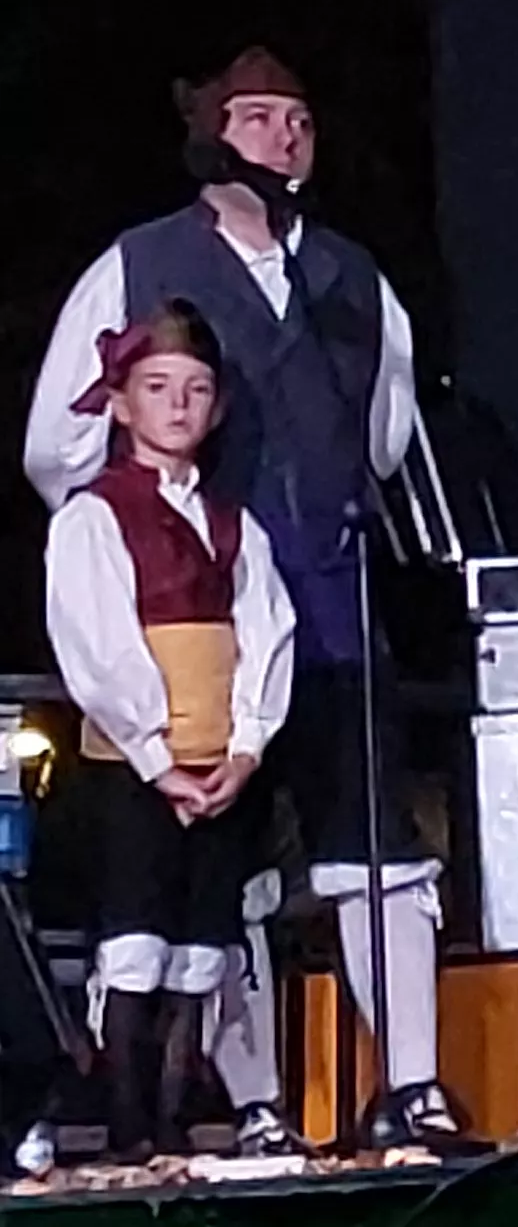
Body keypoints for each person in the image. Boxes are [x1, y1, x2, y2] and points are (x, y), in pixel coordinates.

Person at [24, 48, 445, 1152]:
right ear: (212, 133)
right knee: (227, 869)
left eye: (299, 118)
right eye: (258, 118)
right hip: (200, 623)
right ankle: (252, 1100)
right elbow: (58, 443)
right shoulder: (142, 264)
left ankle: (412, 1085)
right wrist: (151, 541)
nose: (284, 137)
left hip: (332, 602)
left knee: (376, 849)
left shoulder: (353, 276)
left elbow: (388, 434)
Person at [43, 306, 294, 1167]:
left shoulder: (235, 526)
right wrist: (156, 757)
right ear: (121, 405)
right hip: (135, 770)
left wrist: (247, 747)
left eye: (195, 391)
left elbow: (266, 632)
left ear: (217, 408)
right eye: (157, 390)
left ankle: (178, 1106)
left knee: (201, 940)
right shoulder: (95, 518)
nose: (178, 407)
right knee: (136, 935)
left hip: (219, 763)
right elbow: (99, 645)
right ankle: (125, 1119)